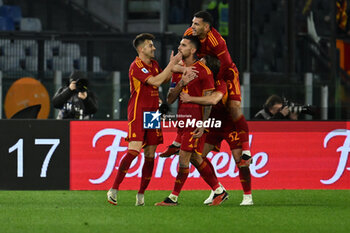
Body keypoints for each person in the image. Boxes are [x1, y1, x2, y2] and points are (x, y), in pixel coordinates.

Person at [161, 11, 252, 167]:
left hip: (224, 75)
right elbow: (184, 53)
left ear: (206, 26)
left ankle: (246, 150)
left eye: (196, 24)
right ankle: (178, 141)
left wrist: (209, 80)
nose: (192, 27)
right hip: (203, 72)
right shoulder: (190, 33)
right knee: (185, 100)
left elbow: (224, 66)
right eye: (192, 22)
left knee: (235, 107)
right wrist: (177, 68)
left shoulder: (217, 42)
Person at [106, 33, 182, 206]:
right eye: (150, 45)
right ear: (141, 49)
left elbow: (162, 80)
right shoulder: (136, 66)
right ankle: (114, 189)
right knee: (133, 151)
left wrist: (176, 67)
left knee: (150, 154)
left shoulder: (154, 64)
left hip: (153, 113)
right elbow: (155, 81)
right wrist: (172, 64)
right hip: (138, 112)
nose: (153, 48)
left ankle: (141, 195)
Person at [155, 35, 228, 206]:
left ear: (193, 50)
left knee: (184, 158)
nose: (179, 47)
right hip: (182, 119)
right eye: (180, 44)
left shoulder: (204, 71)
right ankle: (219, 191)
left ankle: (173, 198)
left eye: (183, 45)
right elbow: (171, 98)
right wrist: (181, 83)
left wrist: (203, 124)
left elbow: (208, 101)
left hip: (195, 121)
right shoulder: (178, 70)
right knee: (195, 158)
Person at [180, 55, 253, 206]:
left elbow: (212, 100)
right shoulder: (200, 81)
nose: (199, 64)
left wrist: (190, 99)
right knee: (198, 156)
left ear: (210, 67)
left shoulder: (221, 83)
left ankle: (247, 196)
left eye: (203, 63)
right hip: (212, 124)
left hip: (229, 124)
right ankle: (217, 189)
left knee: (240, 160)